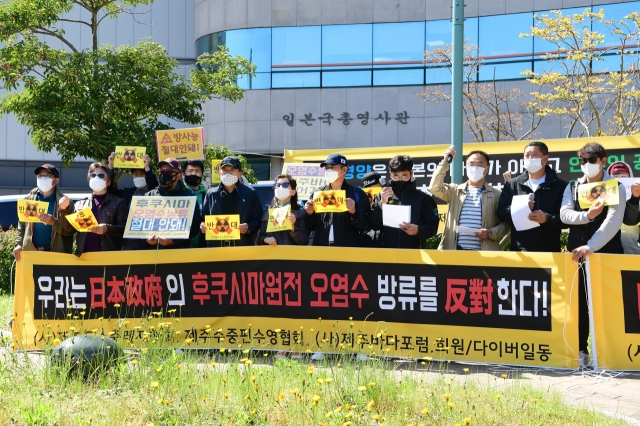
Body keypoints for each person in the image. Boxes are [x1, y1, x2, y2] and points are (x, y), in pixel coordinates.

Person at [560, 142, 626, 369]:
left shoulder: (615, 185)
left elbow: (613, 221)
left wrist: (592, 246)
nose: (587, 165)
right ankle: (581, 351)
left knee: (607, 305)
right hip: (577, 254)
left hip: (606, 253)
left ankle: (609, 355)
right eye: (583, 161)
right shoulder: (572, 186)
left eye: (592, 161)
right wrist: (587, 215)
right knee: (579, 305)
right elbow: (565, 215)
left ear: (602, 161)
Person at [429, 147, 509, 250]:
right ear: (466, 167)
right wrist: (445, 162)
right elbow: (434, 187)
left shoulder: (497, 195)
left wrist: (490, 233)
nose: (475, 168)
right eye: (471, 164)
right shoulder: (454, 191)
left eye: (479, 165)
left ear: (487, 168)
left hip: (484, 254)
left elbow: (506, 224)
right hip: (454, 251)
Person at [497, 141, 568, 252]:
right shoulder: (512, 184)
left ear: (545, 159)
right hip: (519, 252)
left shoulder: (561, 186)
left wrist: (547, 218)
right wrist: (517, 208)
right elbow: (501, 213)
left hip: (549, 253)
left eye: (534, 155)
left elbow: (566, 220)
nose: (530, 158)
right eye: (527, 155)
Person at [371, 155, 439, 249]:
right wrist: (382, 204)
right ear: (390, 174)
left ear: (411, 174)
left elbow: (432, 228)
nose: (400, 179)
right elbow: (372, 225)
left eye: (404, 176)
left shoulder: (424, 198)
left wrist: (417, 230)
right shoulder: (381, 195)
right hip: (385, 253)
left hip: (412, 254)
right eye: (396, 176)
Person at [304, 153, 370, 247]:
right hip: (321, 250)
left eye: (332, 167)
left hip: (347, 251)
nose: (328, 171)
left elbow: (365, 225)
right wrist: (309, 214)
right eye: (327, 168)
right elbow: (309, 227)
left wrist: (354, 213)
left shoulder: (357, 194)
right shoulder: (317, 193)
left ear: (344, 170)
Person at [13, 164, 75, 260]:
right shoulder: (29, 199)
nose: (42, 178)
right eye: (39, 176)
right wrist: (19, 244)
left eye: (46, 176)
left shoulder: (65, 202)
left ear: (56, 180)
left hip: (55, 255)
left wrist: (54, 222)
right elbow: (22, 224)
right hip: (31, 253)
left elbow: (69, 231)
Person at [200, 156, 263, 247]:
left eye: (232, 170)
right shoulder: (211, 194)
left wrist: (248, 227)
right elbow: (203, 218)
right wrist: (202, 225)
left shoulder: (250, 194)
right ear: (219, 173)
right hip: (216, 248)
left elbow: (258, 219)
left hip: (242, 247)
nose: (228, 173)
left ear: (239, 174)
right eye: (224, 170)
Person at [144, 158, 202, 249]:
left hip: (179, 252)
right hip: (152, 252)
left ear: (178, 176)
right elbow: (139, 223)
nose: (164, 174)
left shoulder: (189, 197)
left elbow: (195, 226)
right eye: (161, 171)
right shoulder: (149, 196)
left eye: (168, 171)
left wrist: (174, 240)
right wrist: (145, 237)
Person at [73, 163, 127, 256]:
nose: (96, 178)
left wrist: (107, 229)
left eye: (101, 175)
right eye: (93, 175)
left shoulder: (119, 202)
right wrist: (64, 210)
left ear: (109, 182)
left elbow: (125, 229)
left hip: (108, 257)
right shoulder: (80, 204)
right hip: (83, 257)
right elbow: (69, 229)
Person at [257, 175, 309, 247]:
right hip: (274, 256)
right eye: (277, 185)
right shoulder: (268, 214)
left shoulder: (300, 213)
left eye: (285, 185)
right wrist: (265, 239)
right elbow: (260, 238)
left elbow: (304, 241)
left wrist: (293, 229)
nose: (280, 188)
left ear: (293, 192)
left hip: (292, 256)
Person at [607, 161, 640, 254]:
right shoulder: (600, 198)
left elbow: (631, 219)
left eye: (623, 176)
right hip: (608, 255)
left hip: (633, 253)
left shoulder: (638, 197)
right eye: (615, 177)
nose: (620, 180)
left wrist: (635, 198)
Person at [183, 160, 207, 248]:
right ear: (183, 174)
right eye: (190, 171)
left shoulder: (207, 195)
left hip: (203, 244)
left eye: (197, 171)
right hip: (182, 245)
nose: (194, 173)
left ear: (202, 175)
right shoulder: (178, 194)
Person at [360, 171, 385, 247]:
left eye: (375, 187)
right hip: (368, 243)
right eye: (369, 189)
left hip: (386, 243)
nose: (373, 192)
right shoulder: (361, 203)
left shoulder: (390, 197)